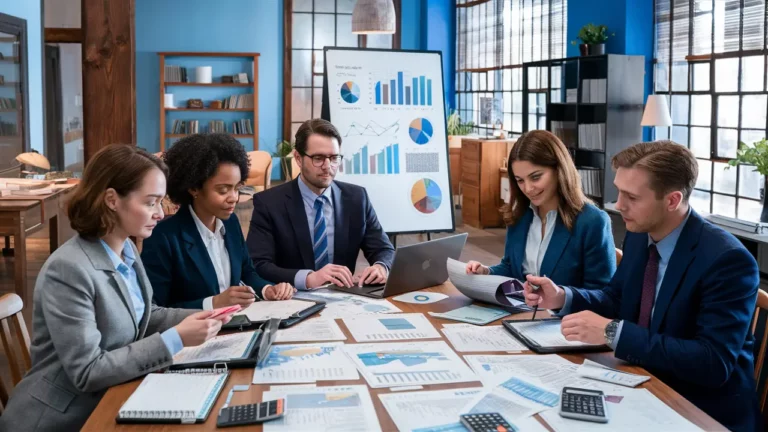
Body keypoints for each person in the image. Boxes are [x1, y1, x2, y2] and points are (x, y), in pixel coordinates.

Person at [522, 141, 762, 432]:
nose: (618, 205)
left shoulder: (728, 260)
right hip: (641, 380)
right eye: (618, 191)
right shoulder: (639, 234)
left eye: (631, 197)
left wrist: (612, 332)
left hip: (699, 408)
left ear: (672, 200)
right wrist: (562, 296)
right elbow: (616, 297)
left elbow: (712, 363)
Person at [0, 145, 229, 432]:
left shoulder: (127, 250)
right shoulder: (69, 269)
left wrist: (209, 313)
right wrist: (175, 339)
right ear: (112, 199)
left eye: (161, 202)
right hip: (63, 419)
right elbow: (87, 372)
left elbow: (144, 315)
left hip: (115, 396)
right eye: (150, 202)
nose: (160, 213)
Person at [142, 133, 295, 309]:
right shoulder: (162, 237)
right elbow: (157, 310)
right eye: (223, 190)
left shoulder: (230, 224)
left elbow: (247, 272)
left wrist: (267, 289)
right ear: (193, 187)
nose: (234, 198)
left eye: (238, 188)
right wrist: (213, 303)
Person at [247, 118, 395, 289]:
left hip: (343, 298)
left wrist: (381, 267)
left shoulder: (356, 198)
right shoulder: (269, 203)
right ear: (298, 158)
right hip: (291, 299)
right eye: (318, 158)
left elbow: (384, 249)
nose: (327, 166)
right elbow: (258, 264)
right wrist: (309, 278)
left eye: (334, 158)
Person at [466, 130, 615, 289]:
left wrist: (562, 298)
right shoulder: (520, 216)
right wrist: (486, 272)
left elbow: (602, 295)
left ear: (559, 170)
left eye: (535, 177)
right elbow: (512, 268)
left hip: (564, 313)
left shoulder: (592, 222)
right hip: (520, 311)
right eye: (520, 180)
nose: (528, 189)